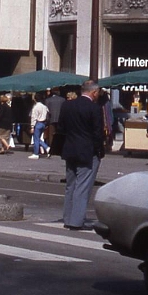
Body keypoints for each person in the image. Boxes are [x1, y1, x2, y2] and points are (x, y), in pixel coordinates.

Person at [58, 80, 105, 230]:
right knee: (83, 186)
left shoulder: (67, 105)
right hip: (87, 150)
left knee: (70, 185)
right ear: (94, 92)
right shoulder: (95, 108)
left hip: (70, 148)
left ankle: (68, 217)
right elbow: (98, 133)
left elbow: (61, 127)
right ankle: (76, 221)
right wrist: (99, 150)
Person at [44, 89, 65, 158]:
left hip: (51, 119)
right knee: (60, 134)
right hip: (60, 120)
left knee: (51, 135)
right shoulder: (62, 100)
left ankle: (51, 149)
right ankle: (60, 148)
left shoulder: (48, 100)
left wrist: (47, 121)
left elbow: (47, 112)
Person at [29, 93, 49, 159]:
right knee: (37, 138)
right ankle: (47, 147)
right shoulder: (44, 106)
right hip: (43, 123)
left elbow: (33, 117)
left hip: (38, 123)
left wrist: (32, 126)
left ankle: (36, 153)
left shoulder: (35, 107)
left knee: (36, 139)